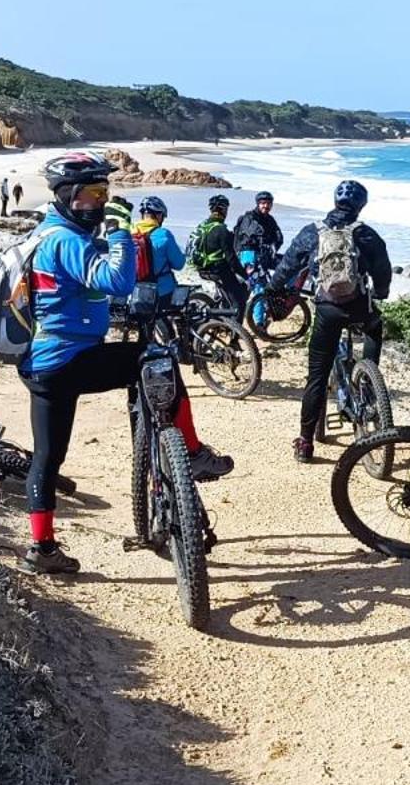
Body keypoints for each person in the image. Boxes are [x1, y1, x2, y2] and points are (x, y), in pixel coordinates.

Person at [20, 155, 232, 576]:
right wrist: (119, 233)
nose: (99, 204)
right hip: (71, 359)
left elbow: (78, 286)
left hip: (41, 364)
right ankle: (190, 451)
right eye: (91, 196)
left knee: (47, 457)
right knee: (156, 358)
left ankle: (42, 549)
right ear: (66, 198)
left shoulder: (45, 235)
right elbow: (116, 280)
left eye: (105, 195)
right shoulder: (67, 240)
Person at [273, 179, 391, 463]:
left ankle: (304, 443)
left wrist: (274, 288)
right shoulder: (366, 234)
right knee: (375, 327)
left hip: (327, 310)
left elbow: (287, 265)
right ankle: (369, 380)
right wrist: (382, 293)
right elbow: (383, 270)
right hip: (359, 307)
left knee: (316, 376)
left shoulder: (312, 232)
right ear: (361, 206)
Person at [189, 194, 246, 316]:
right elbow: (231, 259)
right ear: (224, 210)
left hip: (201, 269)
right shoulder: (221, 230)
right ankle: (235, 332)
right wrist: (244, 275)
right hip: (217, 271)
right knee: (240, 300)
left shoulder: (202, 226)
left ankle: (221, 315)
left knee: (228, 290)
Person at [131, 195, 187, 302]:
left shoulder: (129, 233)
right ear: (159, 215)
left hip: (134, 291)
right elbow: (179, 264)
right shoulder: (163, 235)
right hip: (161, 291)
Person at [232, 191, 284, 268]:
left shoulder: (270, 220)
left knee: (288, 265)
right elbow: (251, 236)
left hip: (265, 254)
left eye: (269, 203)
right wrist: (264, 244)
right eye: (263, 203)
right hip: (247, 254)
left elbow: (279, 237)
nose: (266, 206)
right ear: (258, 204)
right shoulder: (249, 217)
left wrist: (274, 247)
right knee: (252, 275)